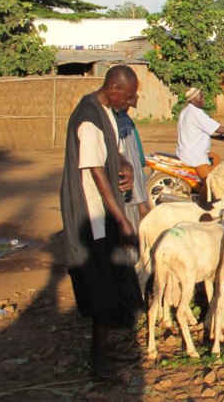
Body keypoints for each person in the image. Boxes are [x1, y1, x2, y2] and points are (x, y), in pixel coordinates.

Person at [60, 65, 145, 380]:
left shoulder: (107, 112)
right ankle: (98, 361)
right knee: (100, 287)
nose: (132, 102)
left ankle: (106, 349)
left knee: (111, 278)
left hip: (104, 212)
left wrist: (125, 166)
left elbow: (113, 153)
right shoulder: (89, 119)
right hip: (92, 214)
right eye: (130, 95)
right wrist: (121, 219)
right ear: (113, 87)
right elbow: (96, 173)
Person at [176, 87, 224, 184]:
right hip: (194, 155)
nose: (203, 99)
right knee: (211, 183)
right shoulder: (196, 113)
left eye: (203, 97)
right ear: (192, 100)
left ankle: (199, 183)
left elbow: (196, 131)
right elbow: (217, 128)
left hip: (186, 151)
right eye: (200, 97)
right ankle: (205, 198)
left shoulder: (186, 111)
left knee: (215, 158)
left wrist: (219, 137)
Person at [116, 95, 149, 236]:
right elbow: (130, 164)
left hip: (131, 191)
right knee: (133, 238)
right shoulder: (123, 123)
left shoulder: (120, 118)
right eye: (133, 92)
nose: (137, 96)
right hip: (132, 197)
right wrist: (142, 204)